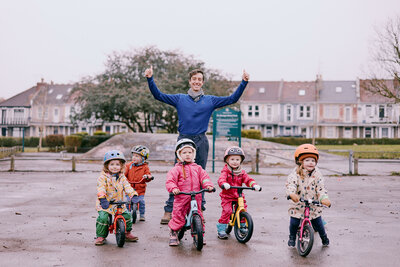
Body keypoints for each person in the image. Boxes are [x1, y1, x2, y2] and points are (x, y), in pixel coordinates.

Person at [145, 66, 250, 223]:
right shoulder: (180, 98)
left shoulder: (210, 100)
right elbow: (158, 95)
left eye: (199, 79)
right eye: (194, 79)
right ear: (190, 81)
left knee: (200, 175)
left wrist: (243, 82)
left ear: (202, 83)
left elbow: (232, 99)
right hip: (184, 139)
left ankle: (199, 210)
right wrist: (150, 79)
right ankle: (170, 209)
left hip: (201, 140)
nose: (196, 82)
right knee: (178, 175)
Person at [165, 138, 215, 246]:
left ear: (194, 154)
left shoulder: (198, 168)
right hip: (181, 197)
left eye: (190, 152)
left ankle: (198, 234)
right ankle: (174, 232)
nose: (188, 155)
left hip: (196, 196)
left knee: (198, 215)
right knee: (178, 215)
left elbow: (204, 178)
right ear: (178, 154)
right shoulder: (176, 169)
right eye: (184, 152)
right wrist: (173, 188)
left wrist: (208, 185)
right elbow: (170, 181)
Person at [285, 144, 331, 248]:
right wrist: (292, 194)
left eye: (313, 160)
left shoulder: (317, 174)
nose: (311, 163)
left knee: (318, 223)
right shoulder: (295, 174)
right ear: (300, 161)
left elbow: (320, 188)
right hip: (298, 203)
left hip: (313, 204)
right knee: (294, 221)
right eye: (307, 160)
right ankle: (292, 237)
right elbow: (291, 184)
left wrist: (324, 198)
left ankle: (324, 237)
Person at [94, 150, 139, 246]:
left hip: (118, 203)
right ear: (107, 166)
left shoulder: (122, 177)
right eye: (112, 164)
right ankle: (101, 236)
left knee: (127, 215)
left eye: (117, 164)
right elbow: (101, 188)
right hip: (105, 203)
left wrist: (133, 195)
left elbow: (127, 186)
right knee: (103, 217)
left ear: (122, 166)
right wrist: (102, 199)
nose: (115, 167)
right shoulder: (103, 178)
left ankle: (127, 233)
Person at [216, 146, 261, 239]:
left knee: (243, 208)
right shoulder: (225, 171)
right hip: (227, 195)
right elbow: (221, 179)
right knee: (227, 211)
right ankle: (221, 228)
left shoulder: (242, 172)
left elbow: (248, 179)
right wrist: (224, 183)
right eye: (232, 159)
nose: (235, 161)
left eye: (237, 159)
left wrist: (254, 185)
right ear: (227, 160)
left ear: (241, 161)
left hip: (238, 195)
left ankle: (242, 225)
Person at [125, 145, 153, 221]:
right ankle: (127, 213)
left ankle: (142, 214)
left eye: (137, 156)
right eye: (133, 155)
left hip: (140, 189)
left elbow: (148, 174)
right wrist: (122, 177)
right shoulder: (128, 165)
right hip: (129, 188)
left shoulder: (145, 167)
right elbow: (124, 174)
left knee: (141, 202)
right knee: (127, 202)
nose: (134, 158)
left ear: (143, 158)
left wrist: (148, 177)